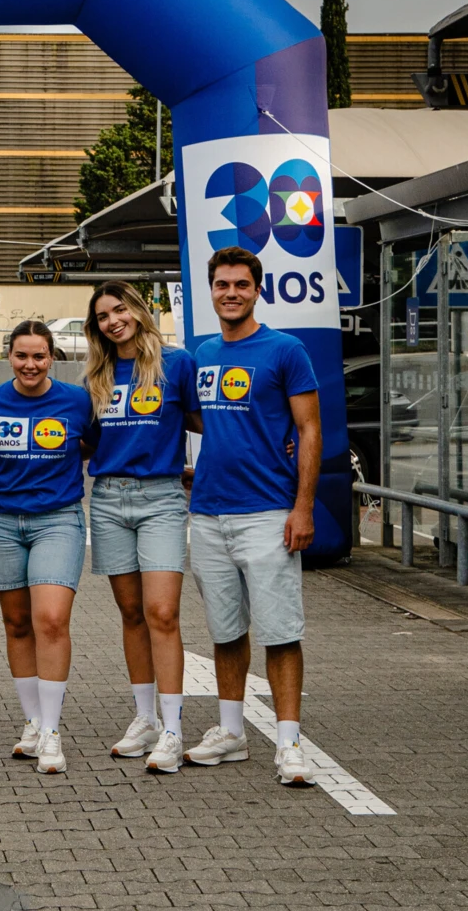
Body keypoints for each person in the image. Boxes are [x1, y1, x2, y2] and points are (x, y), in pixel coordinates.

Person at [186, 246, 322, 786]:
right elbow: (202, 419)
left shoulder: (286, 350)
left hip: (269, 512)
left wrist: (303, 506)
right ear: (211, 290)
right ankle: (231, 733)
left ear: (257, 289)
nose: (231, 293)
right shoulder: (201, 352)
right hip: (210, 512)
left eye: (242, 284)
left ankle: (289, 745)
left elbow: (310, 428)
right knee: (225, 632)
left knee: (280, 633)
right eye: (222, 285)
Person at [0, 321, 95, 775]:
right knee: (17, 624)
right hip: (0, 523)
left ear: (52, 357)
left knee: (51, 620)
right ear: (9, 357)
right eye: (21, 356)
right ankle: (33, 722)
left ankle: (52, 733)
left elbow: (105, 447)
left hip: (58, 520)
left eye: (39, 356)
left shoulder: (78, 401)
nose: (30, 364)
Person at [85, 282, 201, 774]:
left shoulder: (176, 364)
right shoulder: (98, 374)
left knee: (162, 613)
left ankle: (173, 730)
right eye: (103, 316)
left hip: (161, 498)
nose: (114, 321)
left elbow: (209, 419)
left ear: (138, 309)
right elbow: (86, 440)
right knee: (132, 614)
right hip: (108, 500)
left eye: (121, 309)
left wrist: (273, 438)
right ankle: (144, 718)